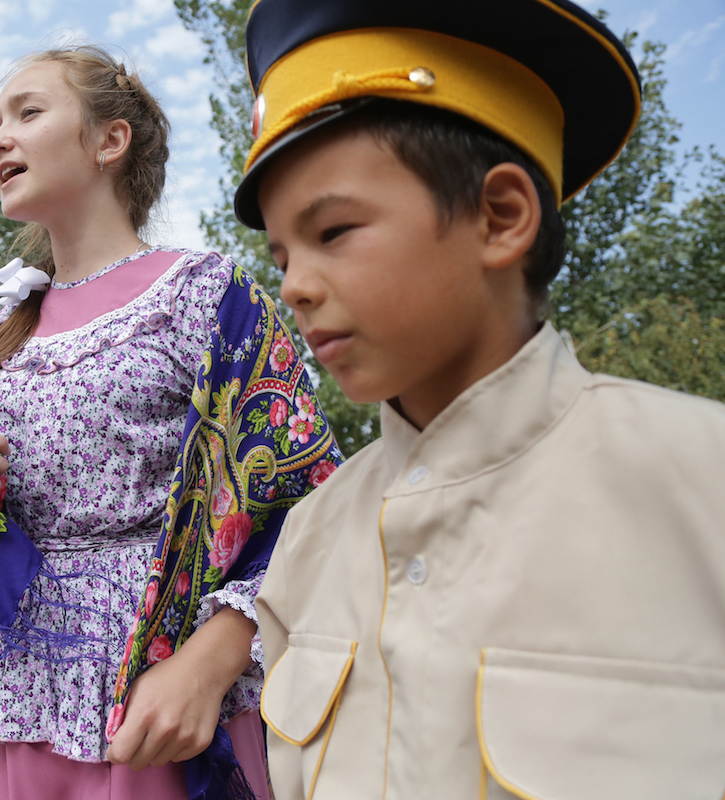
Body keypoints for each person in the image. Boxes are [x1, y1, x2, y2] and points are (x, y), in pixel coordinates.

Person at [234, 1, 725, 798]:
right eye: (281, 253)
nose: (293, 285)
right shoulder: (312, 538)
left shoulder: (701, 484)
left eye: (334, 232)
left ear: (501, 217)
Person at [0, 45, 343, 800]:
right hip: (25, 687)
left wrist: (211, 661)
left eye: (27, 112)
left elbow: (308, 497)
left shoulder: (203, 293)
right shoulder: (4, 332)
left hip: (167, 689)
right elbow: (5, 535)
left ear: (108, 142)